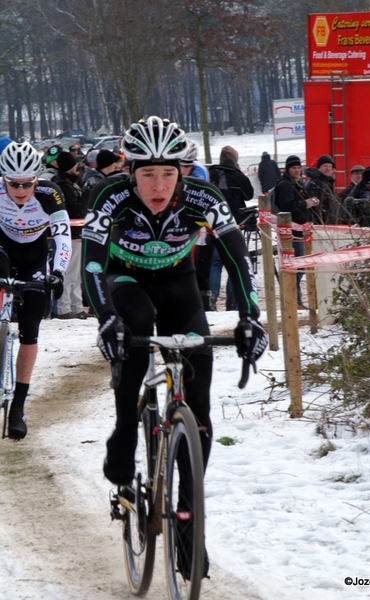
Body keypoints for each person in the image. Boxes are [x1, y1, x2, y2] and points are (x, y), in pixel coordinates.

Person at [81, 116, 267, 577]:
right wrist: (107, 320)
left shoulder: (206, 198)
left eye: (169, 174)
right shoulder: (111, 198)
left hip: (180, 285)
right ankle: (125, 432)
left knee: (199, 410)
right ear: (131, 173)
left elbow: (237, 259)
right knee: (135, 328)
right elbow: (92, 265)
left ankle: (187, 524)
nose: (159, 185)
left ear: (183, 172)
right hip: (127, 280)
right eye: (148, 174)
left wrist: (249, 317)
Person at [0, 142, 71, 438]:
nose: (20, 189)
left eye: (27, 183)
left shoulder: (49, 193)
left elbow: (63, 234)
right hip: (2, 251)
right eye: (13, 183)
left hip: (34, 258)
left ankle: (18, 407)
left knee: (31, 327)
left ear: (36, 179)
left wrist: (57, 272)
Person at [208, 146, 254, 310]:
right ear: (235, 160)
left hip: (211, 224)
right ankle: (232, 303)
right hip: (234, 224)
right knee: (234, 263)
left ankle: (211, 299)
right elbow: (249, 195)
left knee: (215, 264)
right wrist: (239, 173)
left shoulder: (211, 173)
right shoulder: (237, 177)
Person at [275, 155, 319, 309]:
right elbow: (287, 206)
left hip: (300, 229)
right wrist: (305, 204)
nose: (296, 170)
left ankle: (295, 300)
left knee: (300, 266)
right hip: (292, 231)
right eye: (293, 168)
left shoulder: (297, 183)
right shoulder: (285, 185)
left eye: (298, 168)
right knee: (297, 267)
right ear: (288, 169)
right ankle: (294, 300)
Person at [51, 151, 88, 319]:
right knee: (69, 272)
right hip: (70, 234)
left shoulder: (68, 182)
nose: (77, 168)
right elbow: (75, 210)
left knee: (76, 273)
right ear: (68, 167)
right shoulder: (63, 185)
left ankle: (76, 305)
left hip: (75, 233)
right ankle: (64, 307)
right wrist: (86, 198)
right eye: (74, 165)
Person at [179, 139, 215, 310]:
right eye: (181, 164)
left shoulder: (200, 171)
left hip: (196, 221)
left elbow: (200, 198)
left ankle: (203, 298)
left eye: (188, 165)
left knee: (200, 261)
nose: (184, 169)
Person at [304, 154, 342, 224]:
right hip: (323, 225)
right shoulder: (317, 183)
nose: (328, 169)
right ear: (319, 167)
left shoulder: (325, 182)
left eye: (330, 166)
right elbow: (316, 207)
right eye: (325, 166)